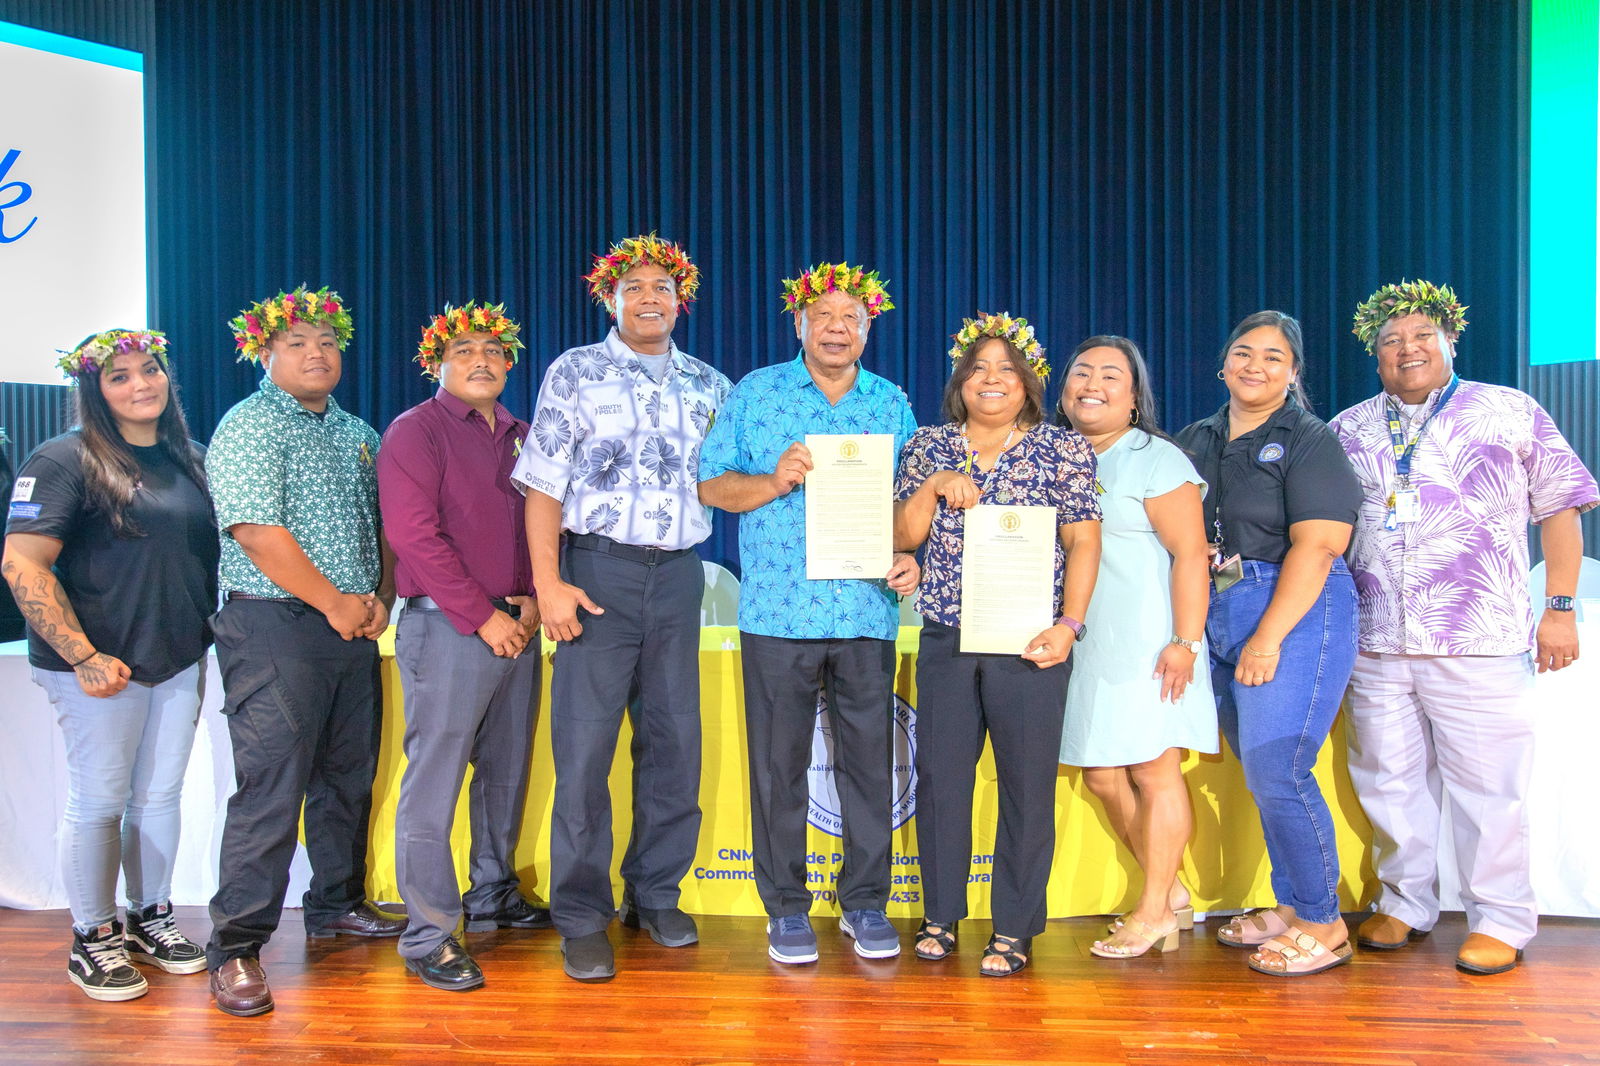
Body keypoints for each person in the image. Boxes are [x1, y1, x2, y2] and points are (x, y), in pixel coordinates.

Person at [1333, 280, 1598, 975]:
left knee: (1489, 790)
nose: (1407, 349)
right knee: (1388, 783)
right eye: (1391, 341)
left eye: (1422, 335)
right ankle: (1405, 902)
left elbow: (1561, 508)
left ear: (1451, 339)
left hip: (1479, 638)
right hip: (1377, 639)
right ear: (1375, 354)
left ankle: (1501, 918)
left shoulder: (1510, 410)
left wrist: (1560, 607)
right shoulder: (1348, 428)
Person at [513, 234, 732, 982]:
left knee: (674, 744)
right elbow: (543, 485)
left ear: (681, 301)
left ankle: (656, 894)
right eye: (633, 286)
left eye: (662, 287)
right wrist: (548, 584)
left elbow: (734, 481)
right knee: (583, 752)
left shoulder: (710, 384)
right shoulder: (575, 371)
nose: (648, 298)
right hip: (596, 574)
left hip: (678, 576)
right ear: (610, 298)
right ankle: (581, 915)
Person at [698, 262, 920, 965]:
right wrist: (773, 481)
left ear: (868, 329)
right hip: (777, 614)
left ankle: (865, 903)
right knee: (778, 769)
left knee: (869, 767)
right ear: (799, 323)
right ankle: (786, 909)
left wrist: (910, 554)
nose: (836, 327)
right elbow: (710, 485)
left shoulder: (890, 403)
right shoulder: (757, 393)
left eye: (851, 317)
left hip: (865, 612)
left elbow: (912, 505)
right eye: (822, 315)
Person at [204, 287, 402, 1017]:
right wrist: (336, 601)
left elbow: (383, 524)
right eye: (297, 343)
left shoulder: (357, 432)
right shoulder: (249, 425)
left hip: (351, 628)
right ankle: (236, 948)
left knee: (347, 777)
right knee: (272, 788)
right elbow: (256, 532)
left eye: (326, 341)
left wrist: (379, 595)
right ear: (265, 352)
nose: (316, 353)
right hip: (273, 625)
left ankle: (335, 904)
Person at [3, 330, 217, 1001]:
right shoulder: (62, 459)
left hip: (176, 658)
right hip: (96, 667)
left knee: (158, 798)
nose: (140, 384)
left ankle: (151, 917)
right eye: (119, 376)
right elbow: (21, 562)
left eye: (149, 369)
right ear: (93, 390)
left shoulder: (191, 459)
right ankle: (93, 936)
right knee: (99, 802)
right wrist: (85, 656)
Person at [893, 313, 1101, 977]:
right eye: (978, 368)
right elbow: (901, 536)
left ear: (1028, 382)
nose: (991, 379)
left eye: (1006, 369)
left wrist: (1069, 625)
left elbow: (1083, 541)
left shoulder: (1063, 448)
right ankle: (939, 916)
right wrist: (932, 485)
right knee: (942, 781)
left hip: (1031, 642)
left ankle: (1013, 927)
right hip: (948, 638)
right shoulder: (928, 445)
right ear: (960, 381)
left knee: (1027, 787)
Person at [1175, 310, 1362, 977]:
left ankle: (1323, 920)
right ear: (1223, 363)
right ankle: (1292, 905)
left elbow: (1320, 544)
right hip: (1219, 606)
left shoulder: (1309, 439)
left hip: (1294, 608)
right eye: (1244, 352)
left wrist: (1267, 638)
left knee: (1279, 768)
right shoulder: (1195, 438)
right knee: (1260, 772)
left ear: (1293, 373)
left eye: (1273, 357)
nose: (1255, 366)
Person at [378, 302, 547, 993]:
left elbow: (543, 522)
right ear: (436, 363)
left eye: (494, 350)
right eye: (465, 350)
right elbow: (414, 537)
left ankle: (492, 891)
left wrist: (532, 596)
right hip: (450, 628)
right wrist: (483, 618)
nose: (482, 360)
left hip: (519, 626)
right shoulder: (415, 431)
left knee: (505, 773)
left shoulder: (524, 435)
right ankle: (428, 934)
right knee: (436, 780)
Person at [1056, 335, 1217, 959]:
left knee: (1154, 770)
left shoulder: (1156, 459)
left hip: (1152, 641)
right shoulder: (1052, 455)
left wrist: (1185, 641)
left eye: (1110, 376)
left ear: (1133, 397)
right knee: (1101, 775)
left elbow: (1191, 555)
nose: (1092, 385)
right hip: (1086, 643)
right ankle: (1169, 890)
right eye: (1082, 372)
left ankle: (1154, 913)